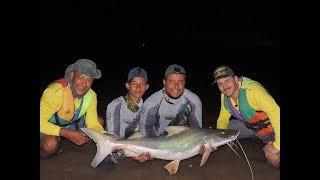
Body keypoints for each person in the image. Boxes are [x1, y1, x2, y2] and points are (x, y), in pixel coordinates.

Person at [40, 59, 117, 159]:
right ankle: (47, 154)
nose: (84, 84)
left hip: (70, 124)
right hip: (47, 124)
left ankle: (84, 150)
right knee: (50, 145)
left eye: (89, 80)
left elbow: (93, 124)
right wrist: (66, 133)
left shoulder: (92, 95)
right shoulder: (54, 92)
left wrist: (106, 135)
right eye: (81, 78)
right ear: (72, 75)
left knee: (99, 121)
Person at [212, 65, 280, 168]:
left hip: (269, 130)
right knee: (218, 133)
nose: (224, 86)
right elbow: (222, 119)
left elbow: (276, 113)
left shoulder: (253, 91)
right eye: (220, 83)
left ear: (235, 79)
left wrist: (277, 145)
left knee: (274, 160)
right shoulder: (224, 96)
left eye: (227, 81)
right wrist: (224, 138)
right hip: (249, 127)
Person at [134, 64, 203, 162]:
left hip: (184, 142)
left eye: (180, 82)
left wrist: (200, 147)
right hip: (156, 142)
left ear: (185, 83)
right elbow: (144, 132)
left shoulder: (194, 101)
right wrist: (143, 151)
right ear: (164, 82)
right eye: (171, 81)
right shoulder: (151, 103)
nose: (176, 86)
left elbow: (197, 130)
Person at [106, 67, 149, 139]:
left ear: (146, 87)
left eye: (142, 84)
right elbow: (112, 136)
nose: (138, 88)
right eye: (134, 83)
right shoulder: (116, 105)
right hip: (120, 146)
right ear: (128, 86)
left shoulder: (147, 108)